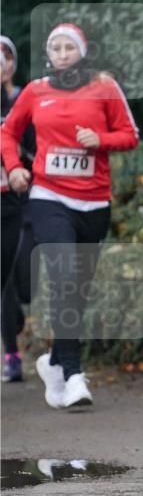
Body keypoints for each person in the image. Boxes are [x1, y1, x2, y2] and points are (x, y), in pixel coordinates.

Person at [1, 22, 140, 407]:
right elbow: (8, 133)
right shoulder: (36, 91)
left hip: (94, 202)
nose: (62, 54)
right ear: (49, 54)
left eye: (69, 48)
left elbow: (131, 135)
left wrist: (102, 141)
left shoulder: (104, 87)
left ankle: (55, 361)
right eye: (55, 48)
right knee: (63, 276)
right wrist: (14, 168)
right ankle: (74, 373)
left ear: (82, 51)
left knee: (77, 289)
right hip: (47, 196)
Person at [1, 34, 35, 381]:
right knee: (5, 283)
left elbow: (36, 145)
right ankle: (11, 355)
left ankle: (17, 318)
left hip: (20, 200)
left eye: (4, 57)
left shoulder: (24, 98)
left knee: (23, 284)